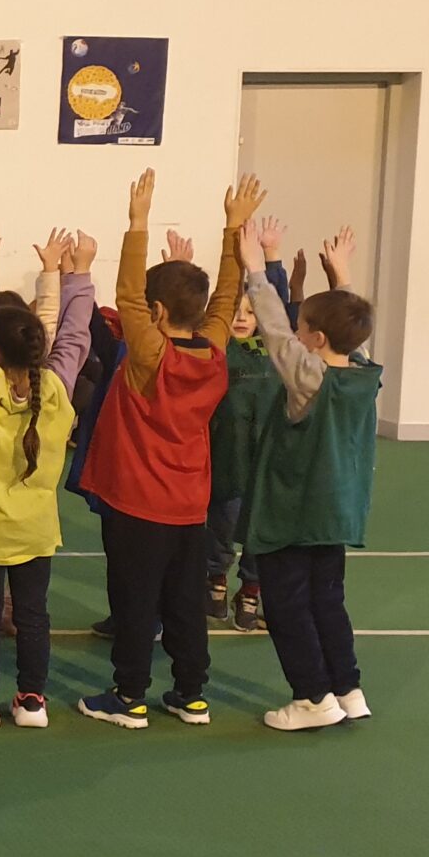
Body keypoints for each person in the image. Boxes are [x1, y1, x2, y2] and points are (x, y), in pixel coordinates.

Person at [75, 171, 262, 729]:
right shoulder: (214, 351)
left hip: (137, 505)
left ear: (155, 313)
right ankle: (191, 694)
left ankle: (129, 695)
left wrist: (138, 222)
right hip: (189, 504)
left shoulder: (150, 355)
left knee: (135, 601)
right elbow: (225, 298)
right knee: (184, 602)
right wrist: (232, 231)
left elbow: (127, 295)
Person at [0, 225, 96, 728]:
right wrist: (77, 275)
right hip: (34, 528)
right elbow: (76, 334)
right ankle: (32, 701)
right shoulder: (58, 388)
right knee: (33, 615)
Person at [239, 222, 382, 731]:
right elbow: (350, 331)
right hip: (335, 513)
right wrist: (342, 277)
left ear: (316, 340)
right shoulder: (362, 373)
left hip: (293, 512)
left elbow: (275, 334)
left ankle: (311, 698)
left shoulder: (310, 378)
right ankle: (347, 688)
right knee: (327, 600)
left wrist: (255, 270)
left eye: (304, 329)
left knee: (287, 605)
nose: (295, 334)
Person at [207, 226, 294, 631]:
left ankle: (251, 591)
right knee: (221, 528)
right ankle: (215, 583)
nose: (242, 317)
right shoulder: (218, 352)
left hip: (266, 466)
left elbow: (276, 305)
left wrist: (272, 257)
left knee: (259, 534)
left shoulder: (275, 354)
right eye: (234, 311)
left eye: (249, 311)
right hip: (226, 463)